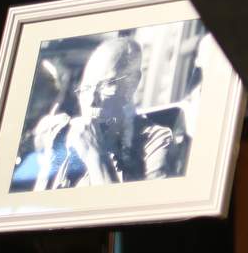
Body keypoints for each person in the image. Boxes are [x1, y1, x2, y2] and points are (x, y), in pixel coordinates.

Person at [32, 36, 175, 189]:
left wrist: (95, 154)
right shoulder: (68, 137)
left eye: (106, 85)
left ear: (132, 84)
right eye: (86, 88)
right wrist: (48, 155)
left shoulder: (156, 141)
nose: (91, 100)